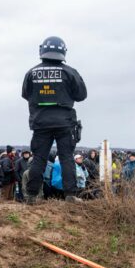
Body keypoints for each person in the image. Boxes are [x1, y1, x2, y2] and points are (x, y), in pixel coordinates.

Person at [22, 36, 87, 204]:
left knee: (39, 159)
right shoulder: (70, 72)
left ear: (42, 50)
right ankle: (70, 195)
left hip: (40, 122)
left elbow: (26, 94)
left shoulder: (32, 72)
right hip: (64, 122)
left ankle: (30, 196)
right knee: (66, 157)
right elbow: (82, 95)